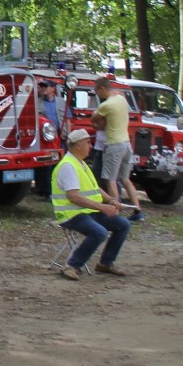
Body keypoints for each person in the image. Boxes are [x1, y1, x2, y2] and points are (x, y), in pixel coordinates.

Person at [50, 128, 132, 280]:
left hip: (87, 212)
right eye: (87, 142)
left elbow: (95, 188)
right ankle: (72, 265)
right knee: (99, 232)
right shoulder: (68, 166)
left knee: (123, 224)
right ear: (78, 145)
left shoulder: (80, 163)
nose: (91, 145)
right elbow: (73, 196)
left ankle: (106, 263)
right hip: (72, 214)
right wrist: (103, 207)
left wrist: (111, 200)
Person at [92, 74, 144, 221]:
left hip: (114, 145)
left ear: (102, 89)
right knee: (126, 180)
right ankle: (138, 211)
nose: (98, 95)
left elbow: (94, 119)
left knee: (111, 180)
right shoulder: (121, 99)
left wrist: (96, 122)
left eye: (97, 92)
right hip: (127, 144)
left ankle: (115, 212)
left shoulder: (106, 105)